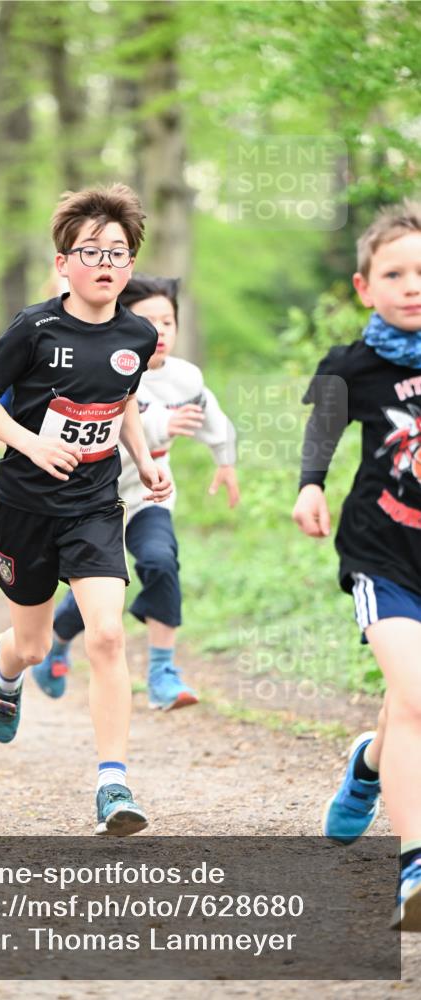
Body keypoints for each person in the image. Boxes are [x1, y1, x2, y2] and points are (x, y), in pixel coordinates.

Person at [0, 183, 172, 836]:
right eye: (90, 250)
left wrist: (142, 458)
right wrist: (31, 442)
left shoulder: (137, 335)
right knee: (30, 644)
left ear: (130, 266)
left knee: (107, 635)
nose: (105, 261)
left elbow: (122, 403)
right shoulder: (33, 328)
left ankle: (113, 782)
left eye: (118, 251)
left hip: (91, 504)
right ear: (62, 263)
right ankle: (3, 671)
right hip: (24, 506)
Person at [292, 200, 421, 932]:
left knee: (405, 708)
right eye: (391, 273)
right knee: (415, 696)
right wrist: (309, 484)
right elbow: (323, 428)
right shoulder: (350, 364)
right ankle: (410, 867)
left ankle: (368, 765)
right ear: (363, 285)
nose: (409, 286)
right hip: (381, 555)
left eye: (419, 274)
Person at [32, 274, 239, 710]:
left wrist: (226, 460)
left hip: (149, 495)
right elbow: (106, 422)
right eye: (149, 321)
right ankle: (54, 641)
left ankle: (163, 671)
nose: (160, 332)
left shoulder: (186, 377)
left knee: (161, 561)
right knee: (99, 594)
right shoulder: (105, 364)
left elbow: (213, 418)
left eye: (168, 321)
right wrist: (162, 425)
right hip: (93, 497)